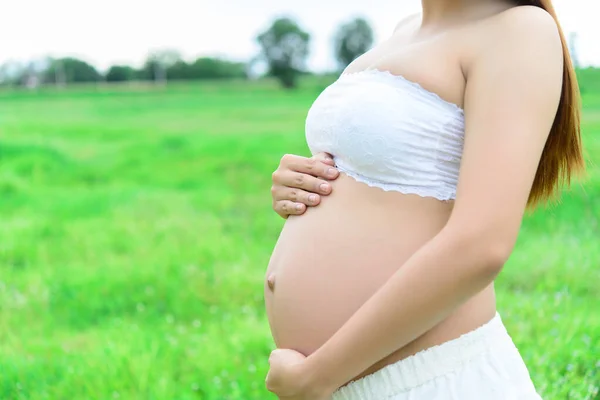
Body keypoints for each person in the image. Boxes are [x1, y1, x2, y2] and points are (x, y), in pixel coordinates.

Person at [263, 0, 585, 399]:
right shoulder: (404, 30)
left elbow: (482, 244)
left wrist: (320, 376)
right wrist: (298, 185)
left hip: (430, 381)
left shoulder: (520, 28)